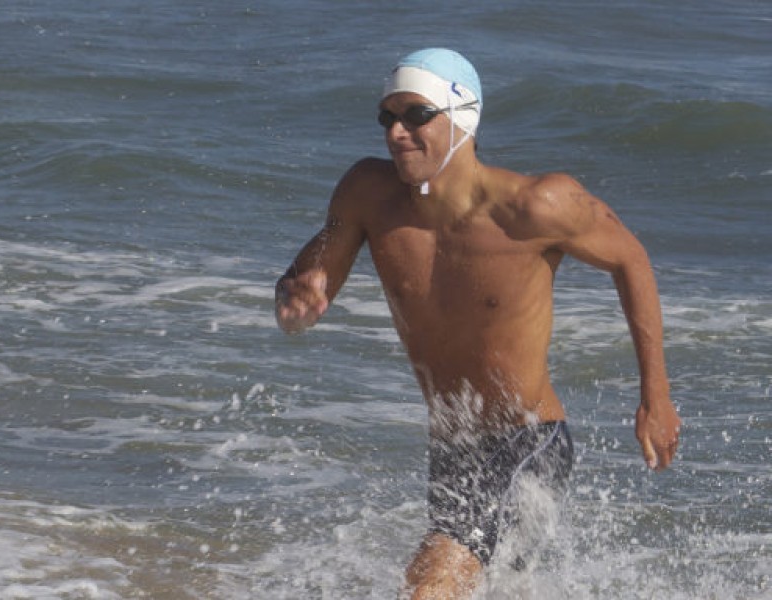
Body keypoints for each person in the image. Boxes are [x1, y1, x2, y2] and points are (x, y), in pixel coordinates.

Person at [274, 48, 681, 599]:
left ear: (462, 116)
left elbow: (630, 258)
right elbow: (307, 287)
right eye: (387, 118)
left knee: (429, 587)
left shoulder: (537, 205)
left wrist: (655, 394)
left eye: (416, 115)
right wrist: (296, 300)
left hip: (529, 440)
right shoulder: (367, 194)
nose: (396, 132)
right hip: (452, 445)